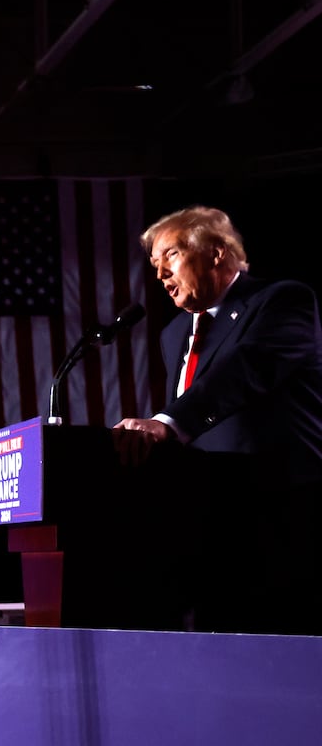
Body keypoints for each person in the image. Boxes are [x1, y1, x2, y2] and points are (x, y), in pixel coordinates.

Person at [115, 205, 322, 629]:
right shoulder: (173, 334)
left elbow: (245, 370)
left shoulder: (282, 300)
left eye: (169, 256)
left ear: (216, 252)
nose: (159, 275)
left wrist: (166, 423)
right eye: (154, 264)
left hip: (283, 512)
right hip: (206, 520)